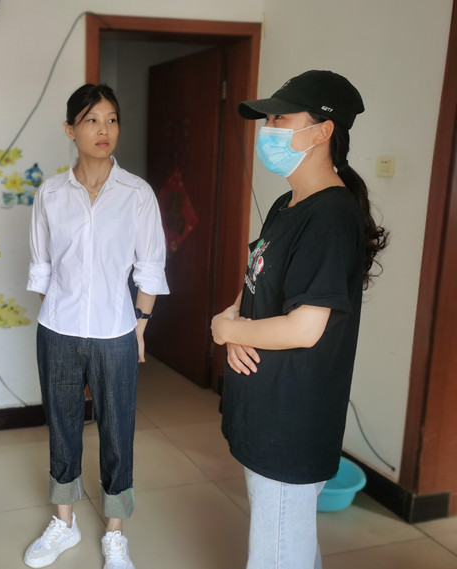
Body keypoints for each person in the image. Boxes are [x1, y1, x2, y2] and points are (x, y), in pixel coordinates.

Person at [211, 70, 388, 569]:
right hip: (267, 408)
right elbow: (257, 281)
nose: (268, 130)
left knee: (277, 555)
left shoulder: (329, 217)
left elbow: (304, 328)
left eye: (280, 119)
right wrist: (234, 320)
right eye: (268, 120)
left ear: (322, 131)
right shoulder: (288, 205)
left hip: (292, 420)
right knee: (291, 547)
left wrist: (227, 329)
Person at [25, 84, 169, 569]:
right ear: (71, 130)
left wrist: (140, 327)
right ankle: (64, 523)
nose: (103, 130)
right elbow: (43, 268)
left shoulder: (137, 194)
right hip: (57, 331)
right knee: (62, 428)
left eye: (111, 119)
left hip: (116, 333)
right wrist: (62, 313)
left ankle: (115, 533)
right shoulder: (50, 194)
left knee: (118, 432)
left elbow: (150, 267)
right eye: (91, 120)